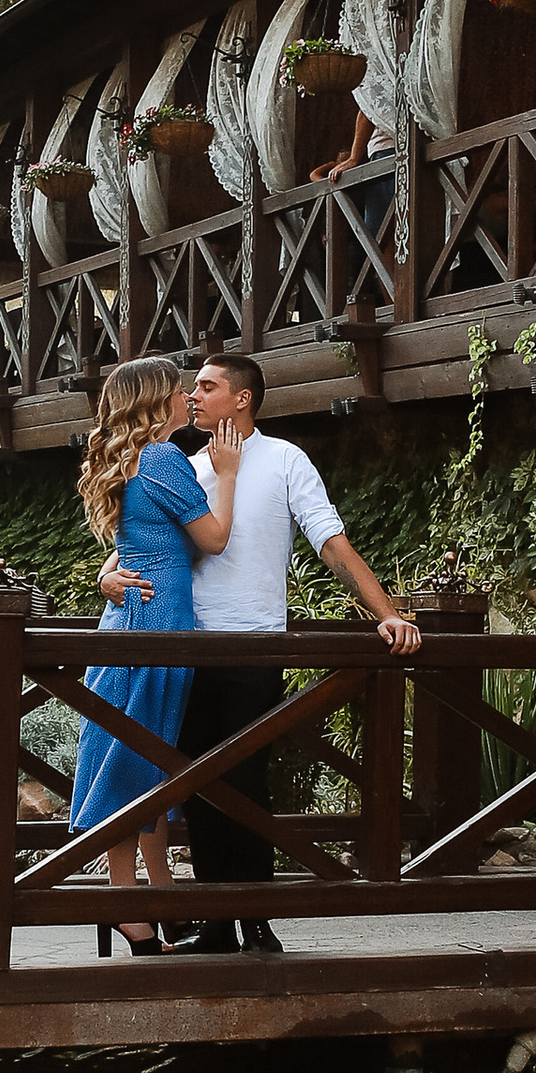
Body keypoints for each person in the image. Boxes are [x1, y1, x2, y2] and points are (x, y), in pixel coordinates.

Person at [108, 349, 419, 958]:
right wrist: (108, 580)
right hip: (187, 644)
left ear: (242, 398)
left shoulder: (283, 459)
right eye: (190, 388)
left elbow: (331, 543)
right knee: (195, 783)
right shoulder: (182, 464)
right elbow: (141, 544)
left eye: (206, 387)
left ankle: (256, 918)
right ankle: (219, 922)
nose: (192, 396)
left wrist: (388, 614)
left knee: (246, 780)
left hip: (256, 644)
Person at [66, 354, 243, 953]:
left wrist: (104, 578)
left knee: (138, 756)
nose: (186, 399)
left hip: (123, 618)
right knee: (142, 761)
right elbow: (214, 539)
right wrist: (227, 472)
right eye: (178, 390)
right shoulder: (165, 458)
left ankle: (144, 900)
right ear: (156, 399)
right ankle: (129, 905)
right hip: (160, 621)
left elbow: (129, 544)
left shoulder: (123, 461)